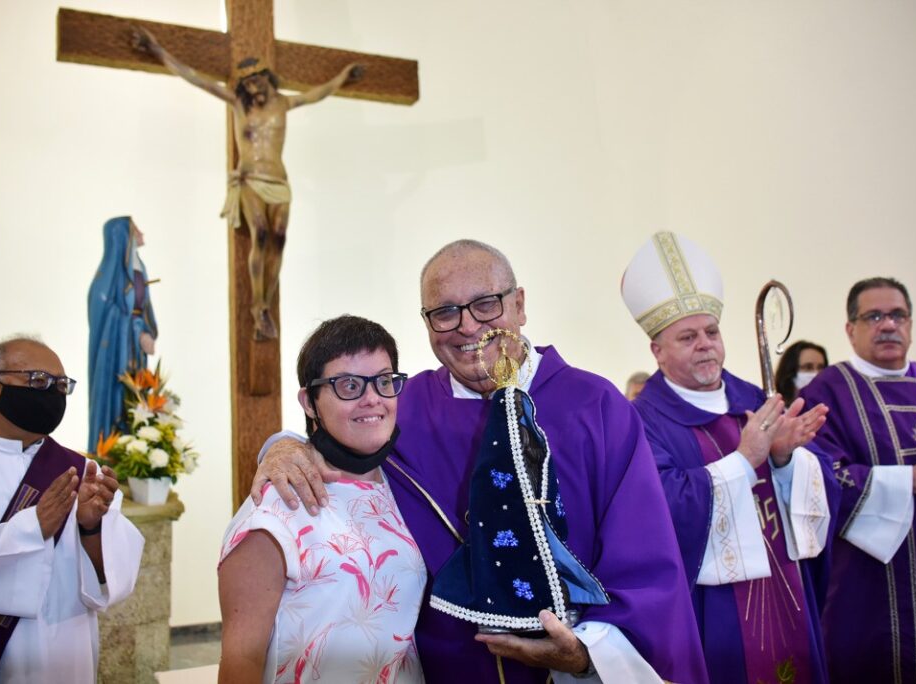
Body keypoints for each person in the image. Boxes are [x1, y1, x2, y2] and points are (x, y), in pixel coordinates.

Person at [252, 240, 708, 683]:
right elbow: (338, 432)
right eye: (445, 312)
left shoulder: (596, 407)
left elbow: (646, 555)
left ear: (519, 305)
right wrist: (284, 443)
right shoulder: (406, 409)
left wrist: (585, 652)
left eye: (486, 304)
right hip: (449, 669)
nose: (468, 327)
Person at [621, 231, 838, 683]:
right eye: (687, 337)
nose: (705, 344)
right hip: (713, 609)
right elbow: (660, 508)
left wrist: (784, 460)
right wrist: (743, 459)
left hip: (787, 591)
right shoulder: (642, 420)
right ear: (657, 351)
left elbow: (824, 492)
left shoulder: (754, 399)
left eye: (712, 332)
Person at [218, 316, 425, 682]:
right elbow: (241, 662)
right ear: (309, 402)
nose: (372, 399)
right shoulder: (277, 509)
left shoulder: (401, 481)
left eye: (383, 381)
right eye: (349, 385)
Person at [798, 277, 916, 683]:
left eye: (898, 315)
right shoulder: (828, 392)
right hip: (871, 592)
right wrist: (910, 480)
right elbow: (817, 479)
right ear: (851, 329)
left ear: (910, 324)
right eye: (874, 316)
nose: (889, 325)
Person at [132, 27, 362, 341]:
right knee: (261, 234)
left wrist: (343, 76)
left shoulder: (283, 103)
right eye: (247, 83)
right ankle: (258, 306)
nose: (252, 87)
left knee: (279, 239)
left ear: (267, 77)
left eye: (256, 80)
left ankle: (267, 299)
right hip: (251, 179)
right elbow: (196, 78)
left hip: (279, 181)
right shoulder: (239, 105)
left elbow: (318, 93)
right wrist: (157, 49)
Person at [0, 336, 144, 682]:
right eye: (38, 381)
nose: (52, 393)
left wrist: (90, 528)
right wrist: (33, 528)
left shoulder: (84, 473)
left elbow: (111, 581)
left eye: (60, 385)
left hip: (64, 654)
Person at [88, 216, 158, 454]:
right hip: (116, 350)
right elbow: (104, 310)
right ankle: (111, 449)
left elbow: (142, 307)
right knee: (116, 395)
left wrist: (145, 331)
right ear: (123, 237)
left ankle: (135, 448)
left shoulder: (139, 267)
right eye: (135, 229)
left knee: (137, 394)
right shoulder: (108, 278)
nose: (141, 233)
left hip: (135, 350)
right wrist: (135, 330)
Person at [774, 341, 828, 406]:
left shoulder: (831, 408)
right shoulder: (776, 409)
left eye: (821, 368)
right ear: (790, 372)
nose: (817, 373)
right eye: (808, 367)